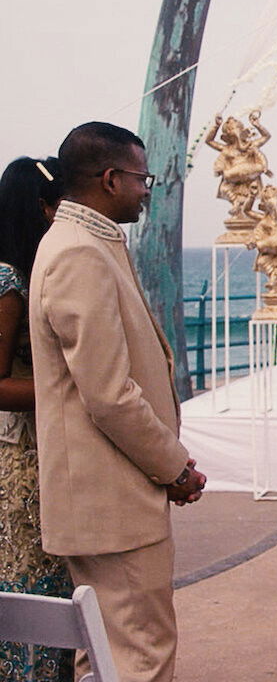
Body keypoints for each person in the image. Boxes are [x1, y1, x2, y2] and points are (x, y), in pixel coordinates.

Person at [29, 122, 207, 682]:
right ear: (110, 179)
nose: (145, 190)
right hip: (112, 500)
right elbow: (108, 395)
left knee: (105, 656)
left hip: (107, 498)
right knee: (141, 655)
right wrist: (173, 467)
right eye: (141, 178)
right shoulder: (78, 252)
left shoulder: (85, 241)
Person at [0, 156, 74, 681]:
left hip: (48, 448)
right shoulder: (8, 279)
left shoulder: (38, 273)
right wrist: (70, 390)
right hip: (22, 458)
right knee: (30, 581)